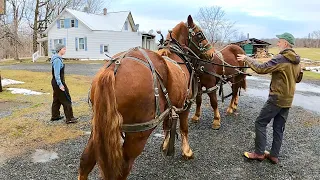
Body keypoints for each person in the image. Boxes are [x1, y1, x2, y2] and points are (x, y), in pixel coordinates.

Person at [237, 32, 303, 164]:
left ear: (285, 43)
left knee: (260, 123)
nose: (277, 43)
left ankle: (259, 153)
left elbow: (261, 68)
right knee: (279, 128)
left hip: (276, 98)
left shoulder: (281, 58)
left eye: (279, 41)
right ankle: (274, 155)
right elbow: (298, 79)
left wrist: (247, 59)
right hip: (288, 100)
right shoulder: (296, 60)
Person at [50, 43, 78, 124]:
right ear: (60, 50)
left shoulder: (57, 58)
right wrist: (60, 85)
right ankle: (69, 118)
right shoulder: (57, 60)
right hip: (58, 82)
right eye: (64, 49)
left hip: (56, 82)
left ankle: (55, 116)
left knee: (57, 99)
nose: (65, 50)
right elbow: (57, 74)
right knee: (66, 99)